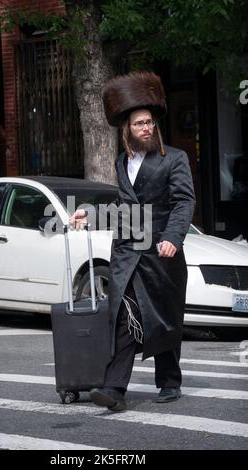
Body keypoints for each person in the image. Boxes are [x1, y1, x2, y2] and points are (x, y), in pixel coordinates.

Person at [69, 71, 196, 411]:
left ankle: (169, 380)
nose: (146, 128)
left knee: (163, 317)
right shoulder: (122, 162)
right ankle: (114, 389)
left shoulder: (174, 159)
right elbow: (125, 209)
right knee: (126, 314)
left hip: (161, 255)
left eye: (150, 122)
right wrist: (89, 215)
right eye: (139, 123)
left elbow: (184, 202)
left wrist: (173, 237)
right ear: (127, 128)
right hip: (128, 253)